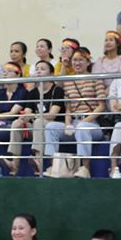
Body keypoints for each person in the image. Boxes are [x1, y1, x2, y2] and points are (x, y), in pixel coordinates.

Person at [50, 47, 107, 178]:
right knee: (50, 127)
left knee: (82, 128)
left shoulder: (96, 79)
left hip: (92, 123)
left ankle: (85, 168)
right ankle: (54, 166)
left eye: (81, 60)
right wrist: (68, 124)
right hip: (74, 122)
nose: (77, 63)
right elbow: (68, 108)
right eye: (74, 60)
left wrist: (83, 121)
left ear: (88, 62)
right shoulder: (69, 81)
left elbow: (101, 106)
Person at [6, 59, 64, 176]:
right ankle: (14, 164)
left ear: (51, 74)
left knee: (38, 121)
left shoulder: (57, 90)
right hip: (37, 127)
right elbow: (27, 111)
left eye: (42, 69)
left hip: (51, 126)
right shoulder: (33, 92)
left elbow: (52, 115)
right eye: (37, 69)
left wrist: (34, 116)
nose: (38, 71)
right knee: (17, 123)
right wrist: (23, 118)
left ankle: (38, 160)